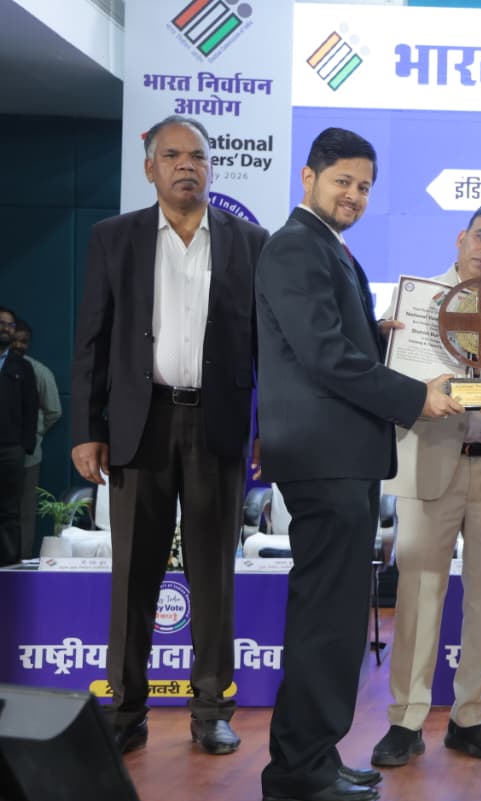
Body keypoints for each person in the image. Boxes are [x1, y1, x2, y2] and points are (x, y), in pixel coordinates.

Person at [255, 127, 459, 801]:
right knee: (326, 616)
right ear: (308, 177)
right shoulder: (295, 245)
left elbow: (325, 343)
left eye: (365, 186)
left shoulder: (326, 246)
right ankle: (298, 770)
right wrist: (414, 396)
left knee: (337, 615)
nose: (354, 196)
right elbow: (323, 357)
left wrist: (375, 337)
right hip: (325, 457)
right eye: (343, 181)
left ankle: (313, 756)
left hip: (340, 454)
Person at [68, 116, 268, 755]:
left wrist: (265, 429)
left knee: (214, 575)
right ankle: (126, 710)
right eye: (174, 155)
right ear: (150, 167)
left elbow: (266, 347)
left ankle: (211, 710)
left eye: (199, 156)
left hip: (218, 424)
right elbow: (92, 340)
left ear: (212, 167)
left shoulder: (250, 242)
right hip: (140, 422)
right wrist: (87, 429)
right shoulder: (114, 237)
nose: (187, 165)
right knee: (134, 574)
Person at [369, 205, 481, 767]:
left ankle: (471, 716)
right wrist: (395, 369)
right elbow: (384, 381)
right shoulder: (414, 302)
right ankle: (406, 720)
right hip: (430, 459)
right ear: (460, 239)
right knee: (418, 594)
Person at [12, 318, 63, 559]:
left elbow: (53, 411)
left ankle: (20, 561)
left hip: (28, 458)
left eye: (24, 341)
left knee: (25, 513)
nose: (19, 346)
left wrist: (34, 434)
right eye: (15, 340)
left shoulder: (39, 372)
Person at [0, 306, 37, 566]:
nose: (6, 328)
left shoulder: (23, 367)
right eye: (1, 323)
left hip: (10, 450)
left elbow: (31, 409)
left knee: (9, 511)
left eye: (10, 325)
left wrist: (24, 446)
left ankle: (8, 567)